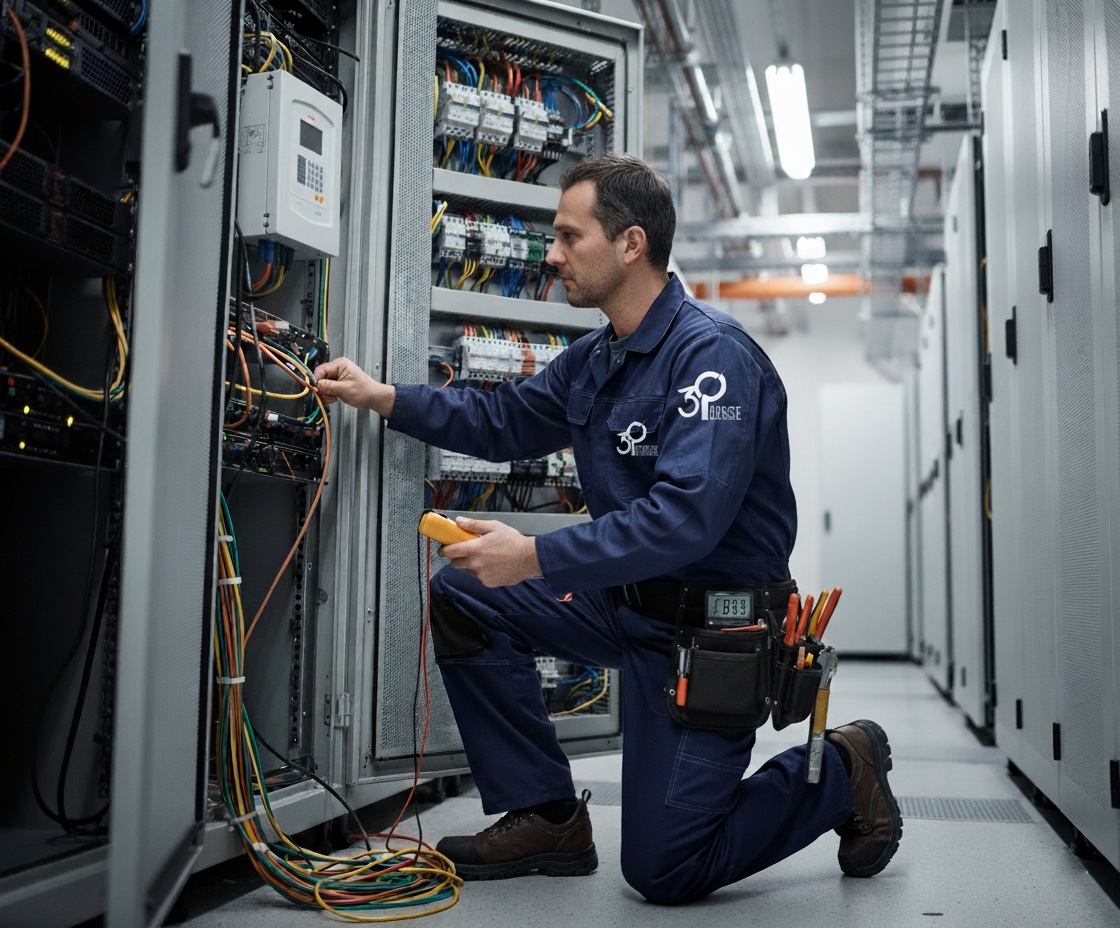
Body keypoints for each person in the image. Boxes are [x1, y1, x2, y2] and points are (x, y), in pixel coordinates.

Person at [313, 153, 902, 904]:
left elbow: (684, 520)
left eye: (568, 235)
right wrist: (385, 396)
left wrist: (534, 556)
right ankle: (547, 814)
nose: (552, 254)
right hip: (622, 600)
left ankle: (843, 771)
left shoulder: (711, 358)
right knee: (465, 596)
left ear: (630, 244)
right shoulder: (597, 360)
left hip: (708, 632)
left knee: (665, 869)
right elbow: (502, 420)